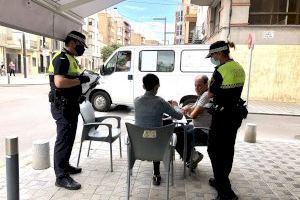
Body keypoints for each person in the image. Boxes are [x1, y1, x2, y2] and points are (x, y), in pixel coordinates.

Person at [48, 30, 90, 190]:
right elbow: (59, 82)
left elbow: (71, 80)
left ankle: (65, 166)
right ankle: (61, 176)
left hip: (71, 105)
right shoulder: (62, 58)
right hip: (62, 107)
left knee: (70, 138)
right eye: (81, 45)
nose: (83, 49)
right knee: (63, 140)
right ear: (73, 42)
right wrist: (80, 80)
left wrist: (81, 87)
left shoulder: (71, 59)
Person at [205, 41, 246, 200]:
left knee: (214, 150)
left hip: (222, 116)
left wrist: (196, 105)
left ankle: (226, 191)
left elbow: (210, 94)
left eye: (213, 55)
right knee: (227, 150)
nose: (212, 58)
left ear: (220, 53)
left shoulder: (220, 71)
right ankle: (219, 180)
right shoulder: (239, 67)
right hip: (235, 115)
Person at [134, 73, 183, 186]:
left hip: (139, 143)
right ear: (157, 86)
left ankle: (156, 172)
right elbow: (179, 116)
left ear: (143, 86)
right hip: (157, 145)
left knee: (152, 130)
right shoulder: (160, 101)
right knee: (161, 132)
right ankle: (156, 172)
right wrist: (175, 105)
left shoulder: (136, 100)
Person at [177, 75, 212, 169]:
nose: (196, 88)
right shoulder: (202, 95)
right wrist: (184, 108)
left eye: (199, 85)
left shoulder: (206, 95)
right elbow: (192, 108)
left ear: (206, 84)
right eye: (195, 85)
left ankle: (191, 157)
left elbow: (193, 115)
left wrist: (187, 112)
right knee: (175, 130)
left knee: (178, 136)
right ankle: (193, 156)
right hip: (197, 127)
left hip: (204, 131)